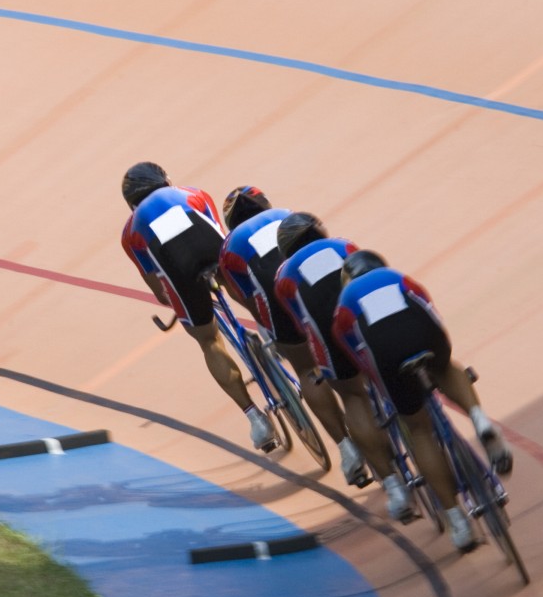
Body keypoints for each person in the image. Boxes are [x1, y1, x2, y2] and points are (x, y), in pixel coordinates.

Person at [332, 249, 513, 552]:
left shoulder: (343, 307)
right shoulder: (398, 277)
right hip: (425, 334)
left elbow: (360, 361)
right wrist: (438, 358)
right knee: (445, 365)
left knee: (417, 429)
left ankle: (458, 521)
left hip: (386, 354)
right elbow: (432, 314)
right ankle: (480, 420)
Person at [120, 162, 277, 452]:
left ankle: (256, 420)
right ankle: (270, 333)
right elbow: (223, 239)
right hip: (211, 246)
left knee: (209, 340)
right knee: (234, 280)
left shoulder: (129, 233)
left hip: (178, 269)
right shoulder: (192, 193)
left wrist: (179, 301)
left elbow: (159, 288)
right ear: (164, 180)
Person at [217, 186, 366, 484]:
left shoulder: (230, 246)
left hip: (279, 302)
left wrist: (265, 325)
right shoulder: (287, 216)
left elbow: (245, 296)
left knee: (308, 369)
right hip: (325, 285)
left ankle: (347, 448)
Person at [273, 212, 412, 521]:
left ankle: (394, 487)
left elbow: (301, 324)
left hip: (328, 332)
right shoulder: (344, 245)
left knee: (352, 396)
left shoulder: (284, 275)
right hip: (372, 315)